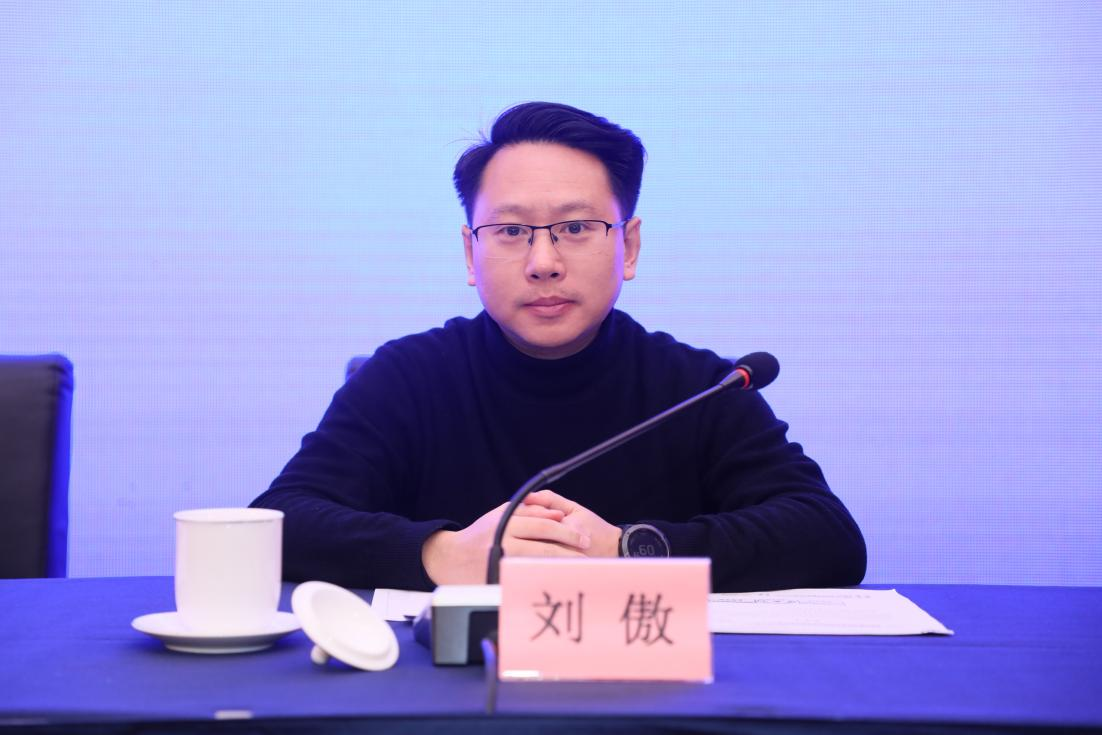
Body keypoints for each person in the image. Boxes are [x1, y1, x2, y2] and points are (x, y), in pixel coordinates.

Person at [251, 102, 866, 592]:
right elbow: (280, 522)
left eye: (575, 228)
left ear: (628, 247)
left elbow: (827, 537)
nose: (543, 261)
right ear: (471, 253)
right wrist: (443, 554)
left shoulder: (700, 388)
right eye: (511, 231)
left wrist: (628, 549)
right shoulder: (407, 377)